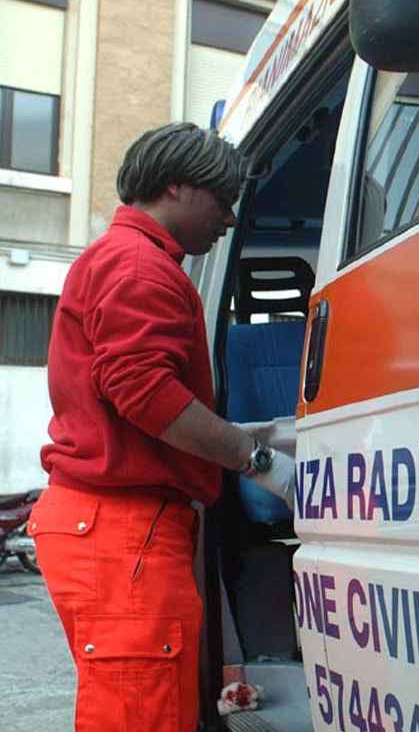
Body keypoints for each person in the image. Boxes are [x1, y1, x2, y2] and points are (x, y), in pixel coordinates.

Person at [29, 122, 296, 732]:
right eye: (222, 201)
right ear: (176, 186)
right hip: (123, 533)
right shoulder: (141, 269)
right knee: (142, 717)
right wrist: (257, 459)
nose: (229, 220)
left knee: (148, 707)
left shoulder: (123, 260)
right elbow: (146, 394)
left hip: (113, 530)